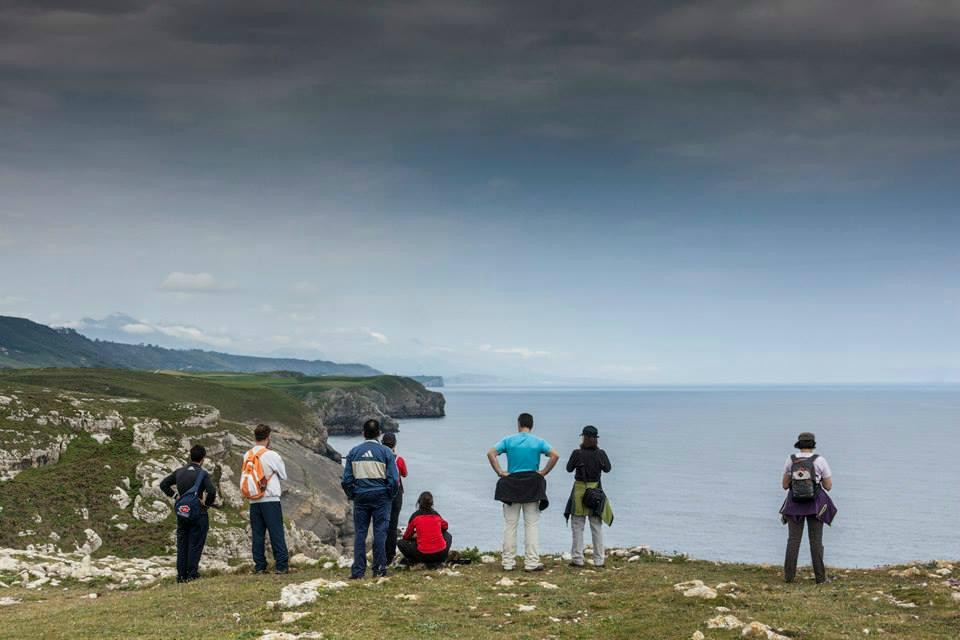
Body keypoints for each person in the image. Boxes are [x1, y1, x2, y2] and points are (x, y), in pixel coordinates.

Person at [486, 412, 559, 572]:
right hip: (532, 484)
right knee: (531, 525)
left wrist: (500, 472)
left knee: (510, 525)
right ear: (531, 425)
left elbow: (491, 453)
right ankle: (532, 563)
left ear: (519, 424)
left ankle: (508, 563)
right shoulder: (538, 442)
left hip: (512, 483)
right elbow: (555, 455)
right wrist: (544, 472)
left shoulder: (508, 440)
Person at [341, 419, 399, 579]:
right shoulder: (386, 453)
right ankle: (379, 569)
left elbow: (346, 480)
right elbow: (394, 479)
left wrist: (352, 494)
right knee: (380, 532)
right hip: (381, 496)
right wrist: (390, 494)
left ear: (363, 433)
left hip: (361, 496)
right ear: (379, 433)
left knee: (360, 533)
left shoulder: (353, 452)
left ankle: (358, 571)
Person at [779, 431, 837, 584]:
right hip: (815, 506)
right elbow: (828, 486)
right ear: (812, 445)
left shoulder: (790, 460)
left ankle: (789, 577)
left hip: (794, 505)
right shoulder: (820, 460)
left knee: (793, 541)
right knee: (816, 541)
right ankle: (820, 578)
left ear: (799, 445)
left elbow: (785, 485)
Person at [160, 445, 217, 583]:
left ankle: (181, 576)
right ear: (203, 459)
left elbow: (163, 484)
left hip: (182, 513)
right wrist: (206, 506)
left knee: (182, 544)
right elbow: (212, 491)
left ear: (190, 456)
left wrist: (176, 496)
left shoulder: (179, 472)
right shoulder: (202, 474)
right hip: (198, 513)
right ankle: (192, 574)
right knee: (195, 543)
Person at [563, 425, 613, 568]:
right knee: (596, 526)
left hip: (579, 491)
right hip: (595, 491)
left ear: (583, 437)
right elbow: (608, 469)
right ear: (596, 439)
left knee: (577, 526)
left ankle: (577, 559)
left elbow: (568, 469)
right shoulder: (601, 454)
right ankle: (599, 560)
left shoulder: (576, 453)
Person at [244, 424, 290, 574]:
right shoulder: (272, 455)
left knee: (258, 535)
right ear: (268, 437)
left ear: (255, 437)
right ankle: (281, 565)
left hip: (253, 500)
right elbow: (283, 475)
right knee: (276, 532)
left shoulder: (248, 455)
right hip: (269, 499)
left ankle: (260, 566)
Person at [398, 491, 453, 568]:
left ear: (419, 502)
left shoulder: (415, 516)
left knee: (400, 542)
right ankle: (439, 561)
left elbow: (406, 536)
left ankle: (413, 561)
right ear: (432, 503)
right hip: (441, 555)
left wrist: (417, 535)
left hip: (423, 555)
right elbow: (445, 526)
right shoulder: (436, 515)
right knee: (448, 535)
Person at [381, 432, 408, 566]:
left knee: (380, 524)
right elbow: (405, 474)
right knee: (393, 525)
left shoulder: (378, 458)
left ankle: (379, 553)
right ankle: (390, 555)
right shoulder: (398, 459)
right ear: (395, 445)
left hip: (381, 492)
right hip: (396, 494)